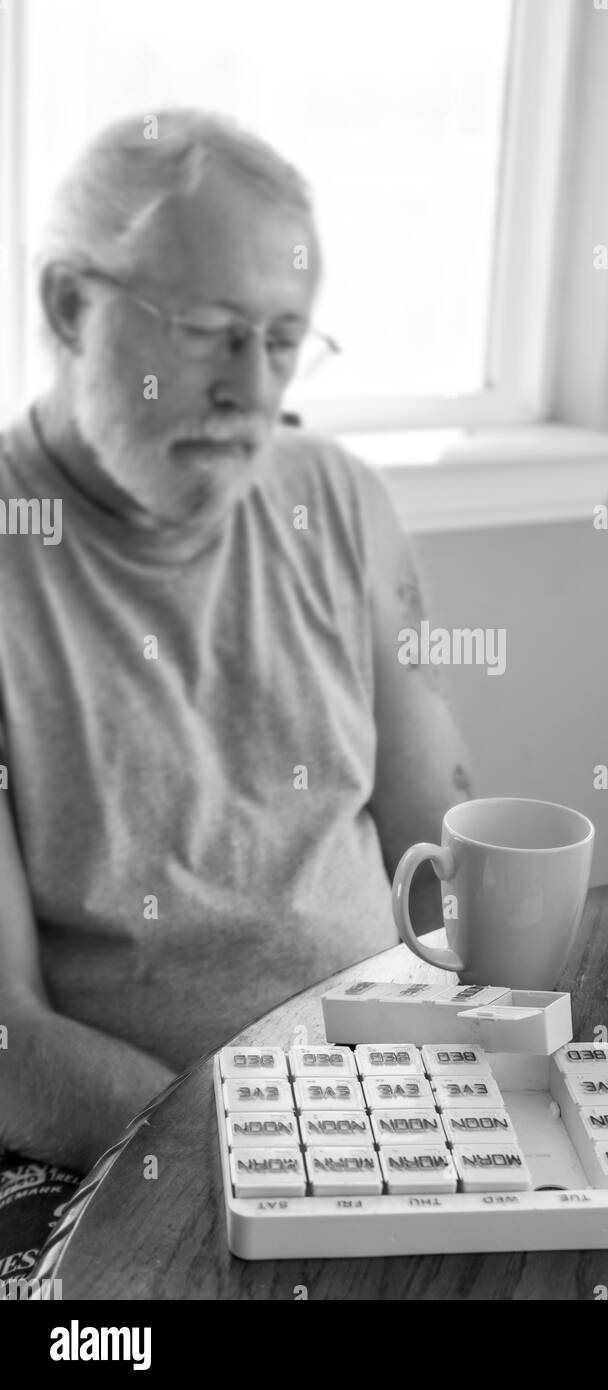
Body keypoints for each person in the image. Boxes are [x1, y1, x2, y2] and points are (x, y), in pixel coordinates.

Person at [0, 109, 472, 1273]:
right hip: (122, 1145)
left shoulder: (339, 499)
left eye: (282, 340)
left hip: (388, 1114)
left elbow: (449, 855)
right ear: (70, 305)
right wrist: (260, 1147)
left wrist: (497, 1090)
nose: (250, 390)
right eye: (210, 334)